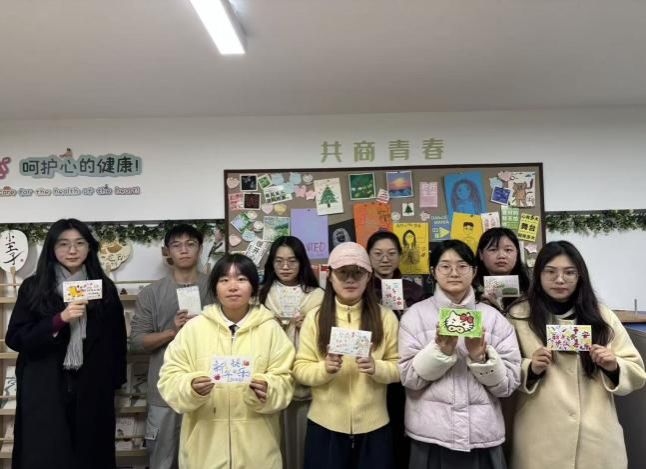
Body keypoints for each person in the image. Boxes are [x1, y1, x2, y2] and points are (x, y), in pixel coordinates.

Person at [507, 241, 646, 469]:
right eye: (551, 272)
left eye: (569, 272)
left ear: (580, 276)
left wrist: (613, 365)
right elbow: (504, 369)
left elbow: (637, 371)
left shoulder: (602, 316)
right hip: (540, 436)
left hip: (596, 436)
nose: (560, 279)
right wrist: (530, 368)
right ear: (538, 274)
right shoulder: (519, 315)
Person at [6, 218, 127, 469]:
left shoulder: (104, 288)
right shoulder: (33, 287)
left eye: (79, 243)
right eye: (63, 244)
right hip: (45, 385)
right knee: (46, 454)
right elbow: (16, 338)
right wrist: (59, 320)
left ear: (89, 248)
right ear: (52, 248)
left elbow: (116, 340)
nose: (72, 250)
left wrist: (112, 382)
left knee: (91, 454)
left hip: (92, 387)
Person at [157, 253, 295, 468]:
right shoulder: (194, 329)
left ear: (253, 287)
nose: (233, 287)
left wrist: (268, 389)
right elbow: (169, 378)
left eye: (241, 279)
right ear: (215, 288)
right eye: (224, 280)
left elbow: (286, 379)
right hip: (203, 453)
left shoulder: (270, 329)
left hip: (258, 454)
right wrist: (190, 387)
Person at [399, 239, 521, 469]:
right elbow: (409, 379)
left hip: (482, 435)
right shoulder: (414, 316)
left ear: (474, 272)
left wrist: (480, 358)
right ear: (433, 272)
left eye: (462, 266)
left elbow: (508, 386)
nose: (454, 273)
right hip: (431, 436)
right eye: (445, 266)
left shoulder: (494, 319)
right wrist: (440, 352)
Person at [293, 242, 400, 469]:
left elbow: (399, 367)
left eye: (357, 272)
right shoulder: (315, 318)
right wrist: (325, 368)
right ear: (330, 276)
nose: (350, 279)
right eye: (342, 272)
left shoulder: (386, 317)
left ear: (368, 277)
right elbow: (300, 369)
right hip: (325, 426)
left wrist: (377, 367)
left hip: (375, 427)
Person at [130, 224, 213, 469]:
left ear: (200, 249)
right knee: (163, 459)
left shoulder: (216, 287)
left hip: (208, 386)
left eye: (190, 244)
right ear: (167, 252)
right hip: (164, 391)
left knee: (206, 459)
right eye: (176, 245)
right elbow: (137, 342)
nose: (184, 250)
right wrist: (172, 331)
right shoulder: (152, 293)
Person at [259, 236, 324, 469]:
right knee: (274, 441)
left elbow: (327, 335)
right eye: (279, 261)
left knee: (306, 440)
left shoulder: (318, 296)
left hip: (309, 380)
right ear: (271, 264)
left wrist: (310, 326)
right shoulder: (261, 295)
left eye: (292, 261)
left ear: (302, 262)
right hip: (272, 376)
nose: (285, 267)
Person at [366, 230, 426, 468]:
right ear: (368, 256)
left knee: (404, 427)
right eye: (378, 254)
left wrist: (408, 316)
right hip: (372, 369)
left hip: (409, 368)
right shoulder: (360, 290)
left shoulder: (414, 291)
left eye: (391, 253)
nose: (385, 259)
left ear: (400, 256)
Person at [475, 227, 531, 311]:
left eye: (508, 250)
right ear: (481, 254)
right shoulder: (470, 289)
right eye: (493, 250)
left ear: (517, 253)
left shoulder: (531, 289)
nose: (501, 256)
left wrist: (498, 311)